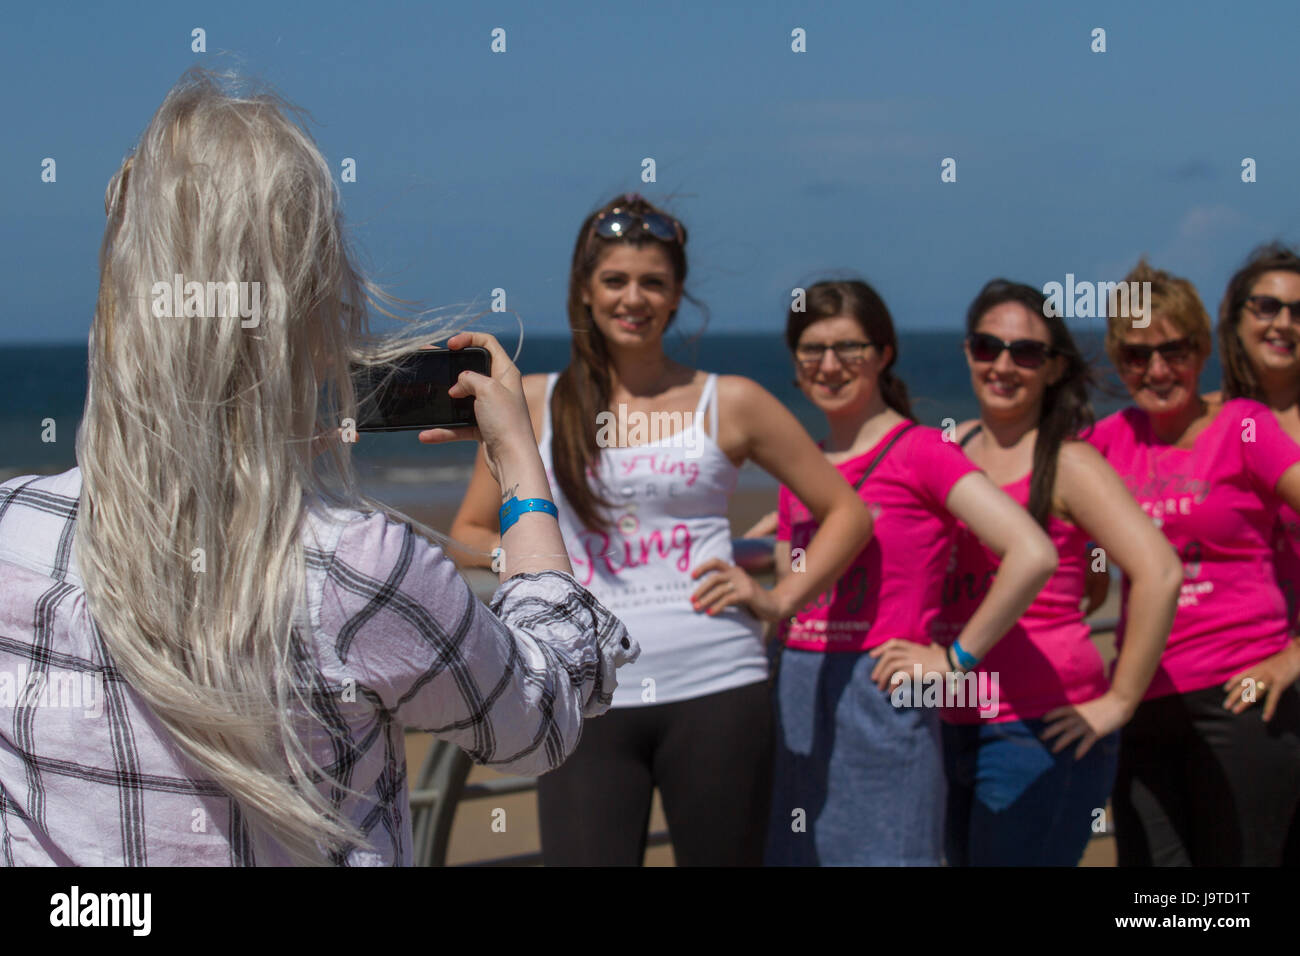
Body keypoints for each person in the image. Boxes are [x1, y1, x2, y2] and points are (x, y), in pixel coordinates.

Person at [0, 69, 636, 867]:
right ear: (309, 303)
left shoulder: (12, 529)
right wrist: (519, 467)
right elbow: (538, 720)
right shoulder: (359, 569)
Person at [449, 195, 873, 866]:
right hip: (582, 689)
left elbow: (847, 512)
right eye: (615, 280)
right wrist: (536, 568)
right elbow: (468, 530)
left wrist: (780, 599)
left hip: (718, 687)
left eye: (653, 282)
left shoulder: (730, 400)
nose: (634, 297)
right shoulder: (533, 400)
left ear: (677, 296)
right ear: (585, 291)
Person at [762, 279, 1059, 866]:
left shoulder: (920, 449)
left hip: (881, 691)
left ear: (884, 354)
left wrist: (953, 661)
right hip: (796, 690)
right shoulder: (804, 463)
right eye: (812, 351)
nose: (830, 365)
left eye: (849, 348)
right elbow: (787, 575)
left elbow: (1033, 553)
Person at [938, 279, 1180, 866]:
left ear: (1052, 369)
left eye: (1025, 353)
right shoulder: (949, 447)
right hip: (945, 718)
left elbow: (1159, 571)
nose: (1003, 365)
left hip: (1039, 729)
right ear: (967, 352)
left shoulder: (1070, 461)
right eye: (985, 346)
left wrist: (1120, 702)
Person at [1088, 258, 1300, 866]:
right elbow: (1081, 567)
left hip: (1241, 697)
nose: (1157, 370)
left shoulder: (1244, 427)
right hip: (1144, 700)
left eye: (1175, 350)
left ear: (1204, 348)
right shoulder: (1105, 442)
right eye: (1135, 355)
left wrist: (1293, 656)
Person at [1213, 243, 1300, 633]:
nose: (1283, 323)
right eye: (1267, 306)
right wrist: (1096, 554)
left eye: (1299, 312)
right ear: (1235, 318)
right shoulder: (1199, 422)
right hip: (1229, 662)